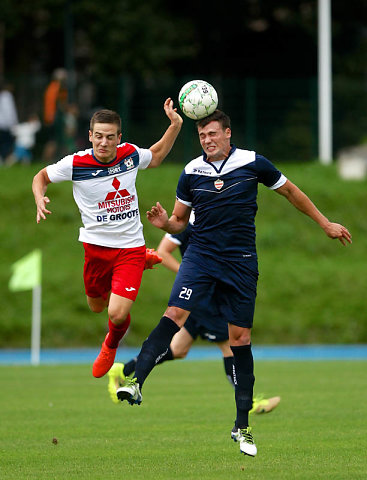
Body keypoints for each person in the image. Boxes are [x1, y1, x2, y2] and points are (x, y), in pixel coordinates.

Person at [116, 109, 352, 457]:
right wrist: (166, 223)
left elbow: (291, 193)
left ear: (228, 133)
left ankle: (242, 426)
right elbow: (180, 223)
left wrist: (324, 223)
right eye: (201, 136)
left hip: (240, 264)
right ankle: (136, 381)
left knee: (239, 338)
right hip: (200, 259)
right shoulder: (190, 173)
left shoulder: (253, 163)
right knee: (176, 312)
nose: (207, 140)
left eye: (213, 134)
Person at [32, 98, 183, 378]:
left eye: (110, 137)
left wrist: (175, 125)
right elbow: (40, 176)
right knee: (96, 306)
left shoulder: (129, 154)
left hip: (129, 247)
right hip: (96, 249)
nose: (104, 142)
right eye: (98, 136)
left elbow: (157, 155)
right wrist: (40, 198)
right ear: (90, 136)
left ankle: (110, 344)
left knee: (115, 314)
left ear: (119, 138)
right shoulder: (75, 163)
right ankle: (144, 261)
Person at [107, 214, 280, 416]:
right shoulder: (189, 221)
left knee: (179, 349)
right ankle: (248, 402)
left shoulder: (210, 217)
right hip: (204, 298)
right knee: (229, 347)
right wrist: (192, 276)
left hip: (207, 296)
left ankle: (123, 369)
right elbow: (163, 251)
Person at [0, 80, 18, 163]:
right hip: (5, 125)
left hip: (2, 124)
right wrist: (14, 124)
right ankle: (4, 159)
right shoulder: (7, 96)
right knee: (6, 143)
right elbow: (9, 111)